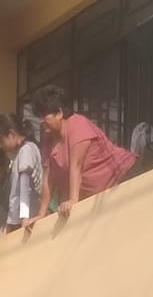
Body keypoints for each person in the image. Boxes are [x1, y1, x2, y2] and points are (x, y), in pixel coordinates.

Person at [29, 83, 135, 217]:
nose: (41, 122)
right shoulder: (48, 142)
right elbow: (48, 178)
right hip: (101, 196)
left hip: (125, 176)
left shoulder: (77, 125)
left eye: (44, 117)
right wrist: (41, 214)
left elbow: (76, 166)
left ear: (59, 113)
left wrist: (73, 200)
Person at [0, 112, 44, 229]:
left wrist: (25, 218)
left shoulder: (26, 150)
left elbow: (25, 187)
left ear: (11, 134)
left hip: (29, 221)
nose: (1, 146)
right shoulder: (23, 153)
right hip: (23, 220)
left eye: (1, 141)